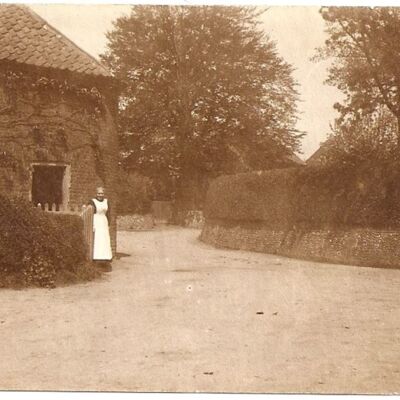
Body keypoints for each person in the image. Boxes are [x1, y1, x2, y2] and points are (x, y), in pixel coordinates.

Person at [89, 187, 112, 271]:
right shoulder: (92, 201)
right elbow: (90, 212)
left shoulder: (106, 201)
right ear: (96, 194)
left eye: (102, 193)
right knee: (97, 239)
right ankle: (96, 259)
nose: (100, 195)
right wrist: (92, 225)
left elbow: (109, 213)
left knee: (104, 240)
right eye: (99, 193)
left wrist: (109, 224)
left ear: (104, 194)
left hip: (104, 222)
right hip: (96, 221)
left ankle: (105, 259)